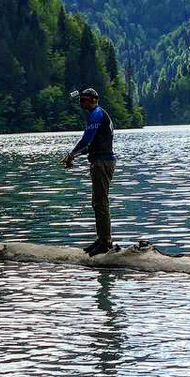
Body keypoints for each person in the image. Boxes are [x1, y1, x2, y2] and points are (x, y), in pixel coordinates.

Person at [61, 88, 116, 256]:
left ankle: (105, 242)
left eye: (84, 100)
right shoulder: (97, 115)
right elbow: (89, 146)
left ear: (92, 100)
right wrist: (74, 156)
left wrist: (71, 154)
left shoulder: (96, 114)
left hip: (102, 162)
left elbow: (86, 140)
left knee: (101, 202)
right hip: (99, 161)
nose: (81, 103)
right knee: (97, 202)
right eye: (81, 100)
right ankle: (101, 239)